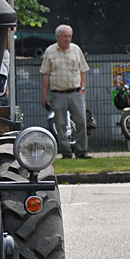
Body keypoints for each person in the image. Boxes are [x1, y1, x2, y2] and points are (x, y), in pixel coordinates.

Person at [40, 25, 91, 159]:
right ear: (58, 37)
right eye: (64, 37)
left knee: (81, 121)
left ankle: (81, 151)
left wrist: (82, 88)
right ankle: (66, 152)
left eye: (69, 36)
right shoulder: (50, 51)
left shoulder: (76, 50)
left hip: (76, 92)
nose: (67, 39)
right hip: (58, 93)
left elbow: (83, 70)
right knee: (60, 125)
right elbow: (45, 74)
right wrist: (44, 95)